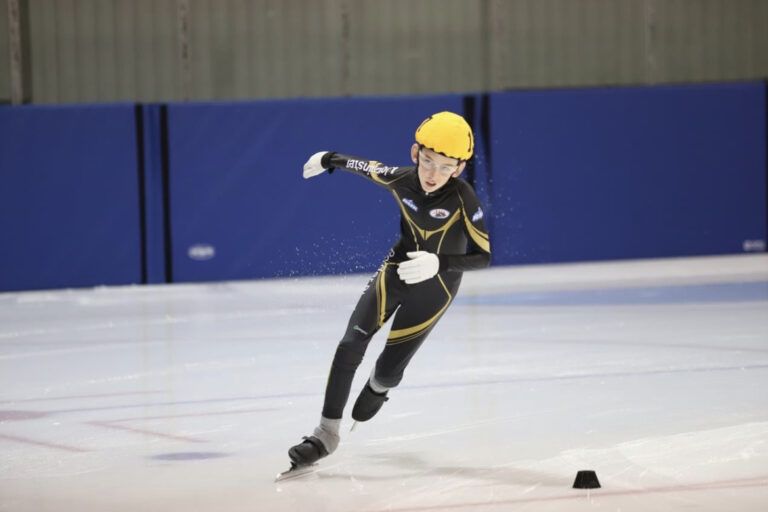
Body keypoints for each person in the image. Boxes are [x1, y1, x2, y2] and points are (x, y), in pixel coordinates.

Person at [288, 111, 491, 468]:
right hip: (397, 269)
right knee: (350, 343)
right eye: (427, 161)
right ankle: (325, 434)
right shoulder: (401, 179)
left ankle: (380, 387)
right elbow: (365, 166)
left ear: (458, 169)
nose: (433, 174)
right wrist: (328, 159)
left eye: (445, 167)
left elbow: (482, 257)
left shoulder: (464, 199)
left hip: (436, 288)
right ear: (415, 153)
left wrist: (439, 263)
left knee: (384, 375)